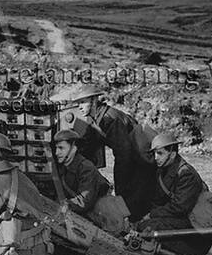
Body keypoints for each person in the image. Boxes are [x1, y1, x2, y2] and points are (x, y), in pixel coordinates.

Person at [63, 87, 156, 220]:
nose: (80, 107)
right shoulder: (97, 118)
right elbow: (91, 142)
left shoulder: (110, 118)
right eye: (78, 104)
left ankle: (135, 223)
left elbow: (124, 156)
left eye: (83, 103)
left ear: (94, 101)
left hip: (141, 158)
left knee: (135, 197)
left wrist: (120, 189)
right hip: (133, 157)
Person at [137, 132, 212, 255]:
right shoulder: (164, 169)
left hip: (196, 224)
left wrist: (152, 215)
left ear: (172, 154)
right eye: (155, 154)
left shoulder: (185, 173)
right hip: (183, 217)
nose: (156, 158)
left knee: (151, 227)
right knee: (143, 225)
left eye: (160, 153)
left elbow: (180, 207)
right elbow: (158, 199)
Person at [53, 129, 111, 222]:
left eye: (61, 148)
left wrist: (65, 205)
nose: (56, 153)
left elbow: (84, 201)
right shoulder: (65, 167)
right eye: (56, 148)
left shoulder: (86, 168)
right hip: (86, 214)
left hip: (103, 217)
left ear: (74, 148)